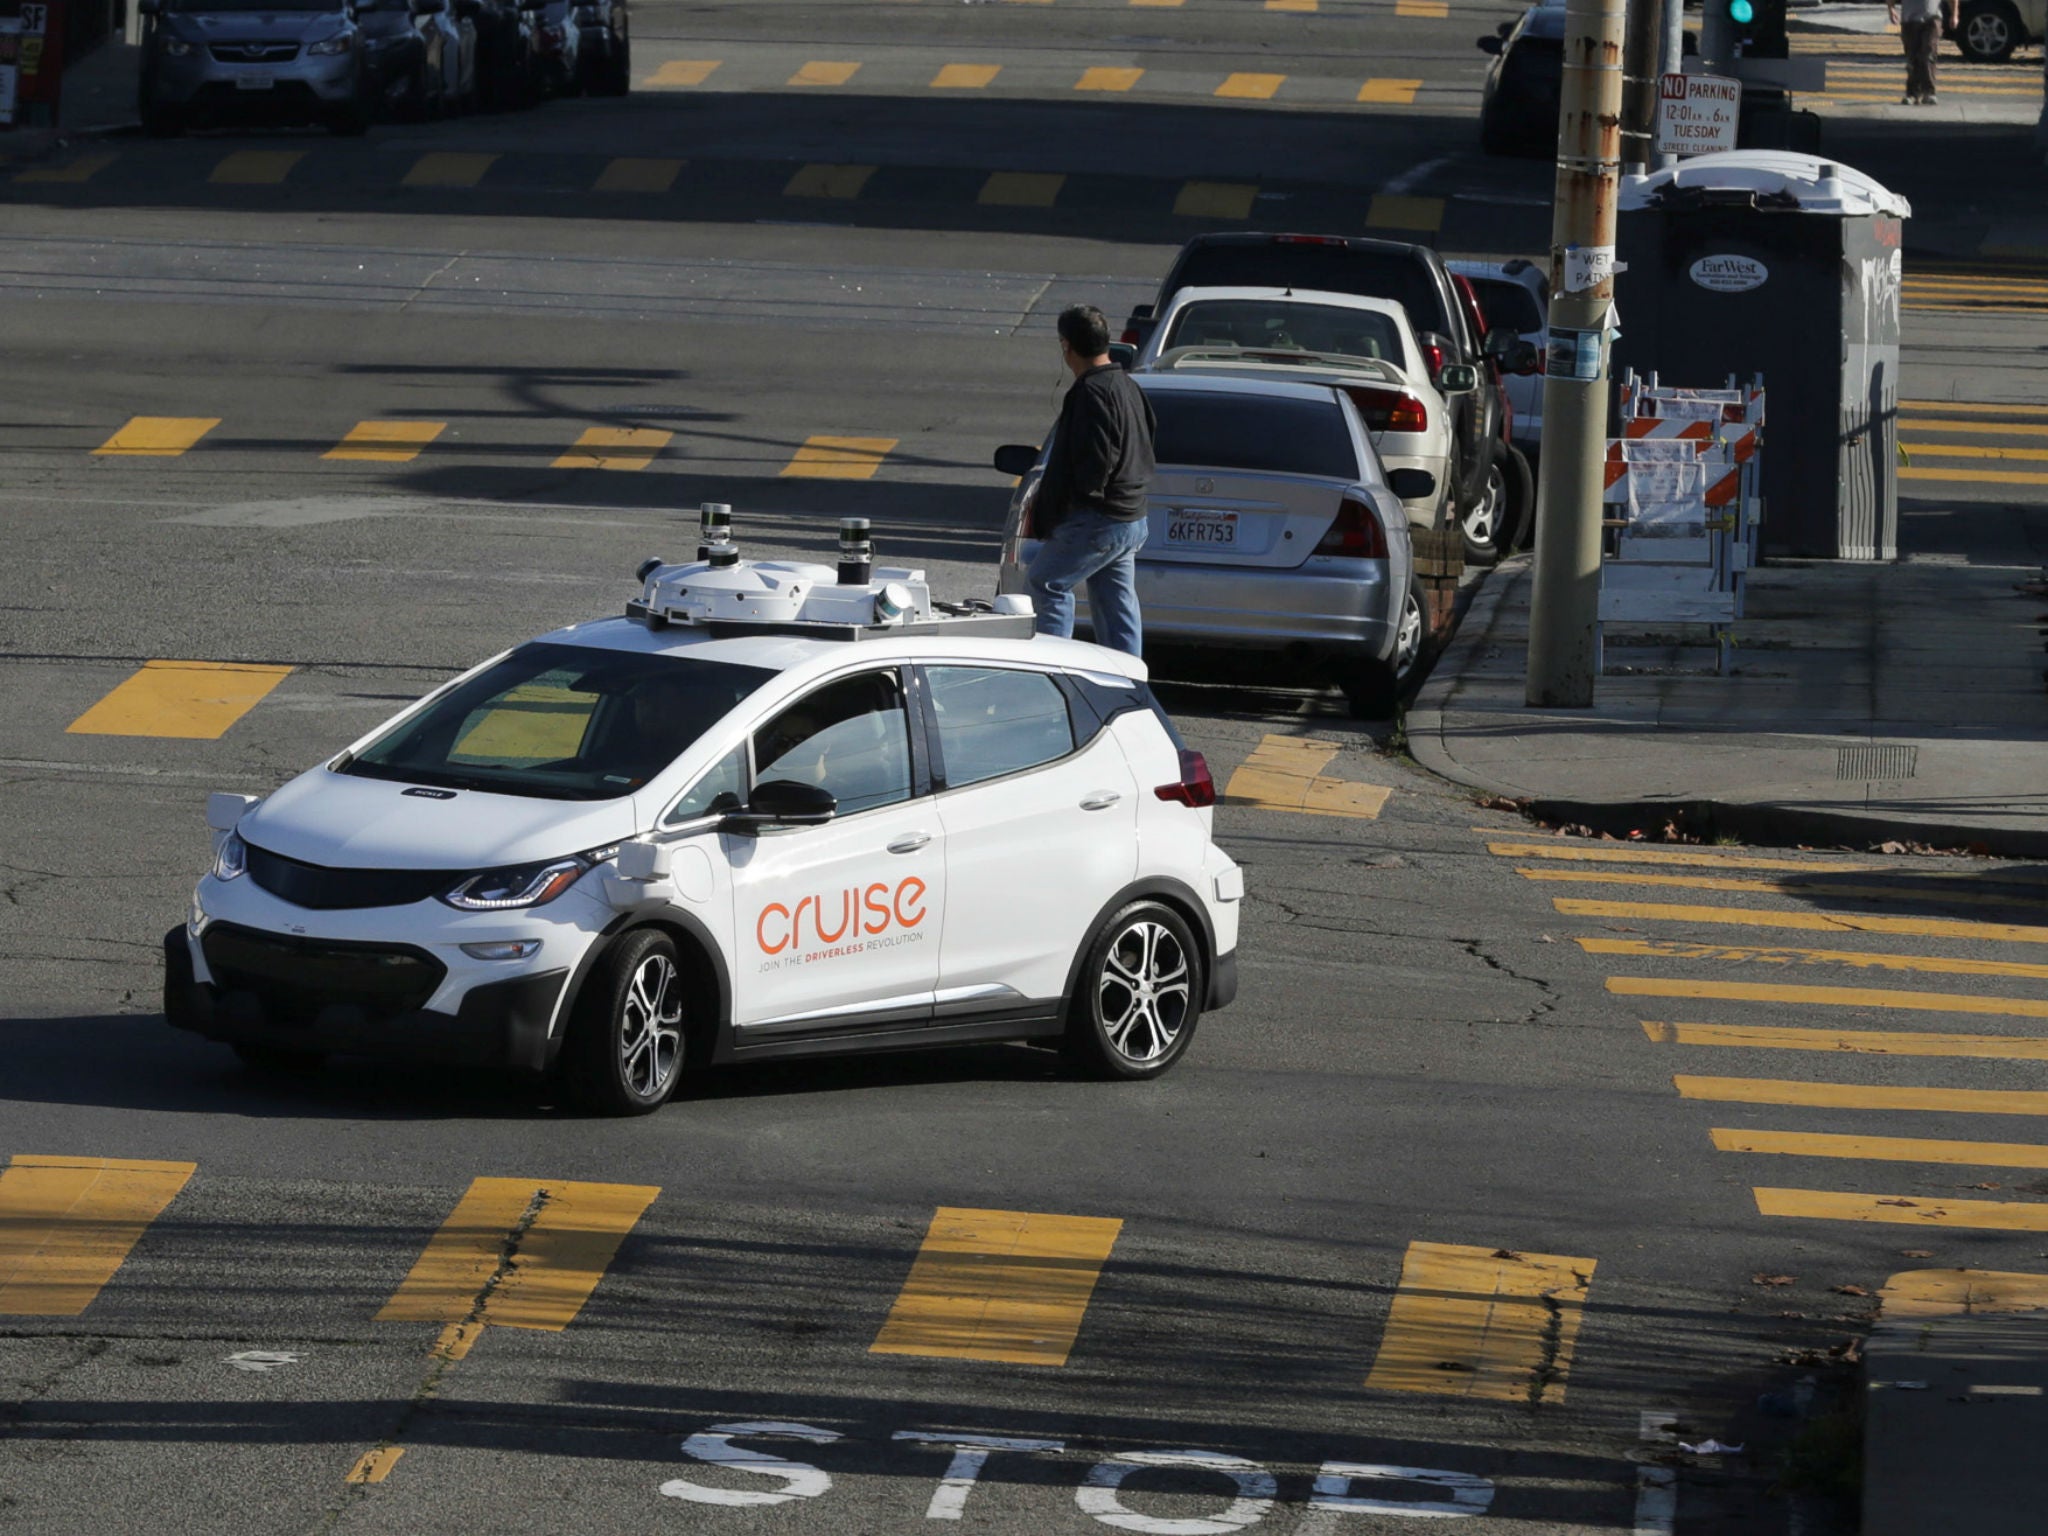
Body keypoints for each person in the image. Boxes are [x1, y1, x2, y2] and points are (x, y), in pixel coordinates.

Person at [1026, 304, 1157, 658]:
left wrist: (1073, 501)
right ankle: (1127, 682)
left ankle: (1053, 672)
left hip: (1099, 518)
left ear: (1066, 347)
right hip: (1131, 516)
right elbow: (1146, 443)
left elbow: (1097, 462)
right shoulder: (1127, 386)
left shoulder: (1090, 393)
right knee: (1115, 604)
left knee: (1046, 583)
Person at [1889, 0, 1958, 105]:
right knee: (1912, 58)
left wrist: (1954, 15)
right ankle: (1912, 93)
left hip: (1932, 18)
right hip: (1909, 20)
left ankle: (1929, 92)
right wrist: (1891, 9)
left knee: (1928, 54)